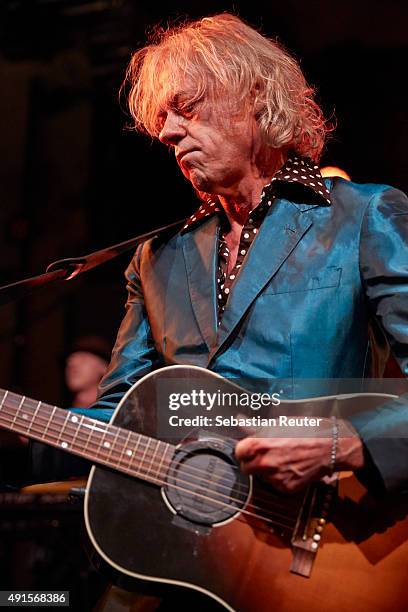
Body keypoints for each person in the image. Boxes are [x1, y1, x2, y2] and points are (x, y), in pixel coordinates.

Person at [94, 13, 408, 498]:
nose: (168, 133)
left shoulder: (363, 216)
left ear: (255, 98)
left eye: (186, 108)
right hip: (192, 544)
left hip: (325, 534)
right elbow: (118, 416)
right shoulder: (156, 258)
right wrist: (19, 428)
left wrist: (343, 444)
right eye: (162, 119)